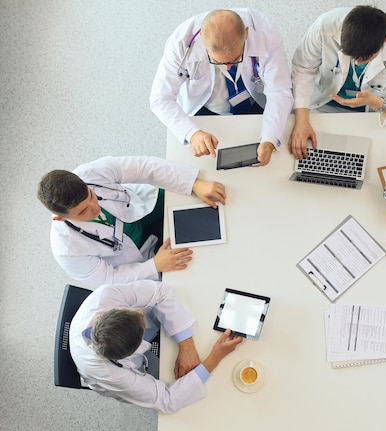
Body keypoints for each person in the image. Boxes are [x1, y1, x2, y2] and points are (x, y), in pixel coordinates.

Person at [37, 156, 226, 288]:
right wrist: (154, 266)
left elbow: (144, 167)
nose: (95, 207)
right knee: (194, 273)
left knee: (199, 203)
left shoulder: (91, 172)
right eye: (84, 211)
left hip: (140, 208)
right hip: (137, 257)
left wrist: (193, 183)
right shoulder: (67, 250)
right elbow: (108, 280)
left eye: (91, 196)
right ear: (60, 218)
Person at [70, 279, 242, 413]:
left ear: (107, 313)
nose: (141, 311)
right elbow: (167, 400)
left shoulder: (105, 297)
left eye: (131, 310)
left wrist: (186, 345)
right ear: (132, 352)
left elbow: (160, 292)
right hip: (111, 380)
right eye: (141, 323)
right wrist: (214, 358)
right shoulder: (111, 374)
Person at [150, 8, 293, 165]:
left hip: (255, 104)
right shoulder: (181, 43)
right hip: (205, 109)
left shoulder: (264, 32)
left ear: (246, 34)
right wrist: (192, 133)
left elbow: (279, 91)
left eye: (234, 59)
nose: (226, 67)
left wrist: (270, 137)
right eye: (218, 61)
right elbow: (160, 99)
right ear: (203, 39)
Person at [289, 5, 386, 159]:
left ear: (385, 41)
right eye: (352, 57)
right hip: (323, 108)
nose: (357, 62)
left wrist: (378, 103)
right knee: (308, 158)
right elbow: (303, 69)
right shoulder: (325, 27)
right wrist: (301, 121)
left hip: (372, 117)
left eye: (365, 58)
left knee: (368, 162)